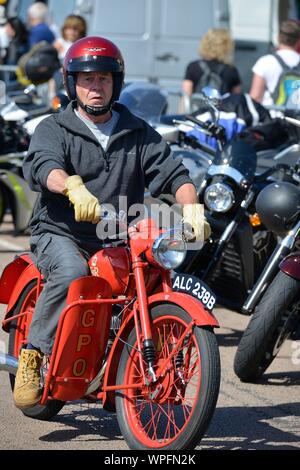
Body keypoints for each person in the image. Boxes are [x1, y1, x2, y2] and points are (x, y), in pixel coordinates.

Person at [14, 36, 211, 409]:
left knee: (153, 274)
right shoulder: (54, 127)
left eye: (103, 78)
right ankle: (33, 356)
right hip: (61, 232)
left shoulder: (138, 132)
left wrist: (193, 210)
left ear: (116, 83)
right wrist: (71, 187)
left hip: (116, 232)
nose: (95, 86)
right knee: (72, 271)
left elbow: (174, 175)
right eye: (86, 78)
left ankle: (125, 362)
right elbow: (42, 166)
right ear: (72, 83)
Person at [250, 20, 300, 106]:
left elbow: (256, 97)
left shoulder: (265, 62)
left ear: (278, 38)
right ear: (298, 41)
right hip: (296, 118)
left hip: (271, 116)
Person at [182, 28, 242, 98]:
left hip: (197, 108)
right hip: (221, 109)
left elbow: (186, 96)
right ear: (226, 46)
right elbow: (236, 99)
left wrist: (182, 109)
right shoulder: (231, 70)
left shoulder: (193, 66)